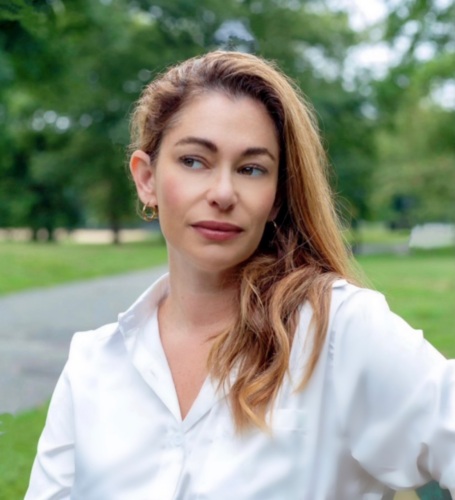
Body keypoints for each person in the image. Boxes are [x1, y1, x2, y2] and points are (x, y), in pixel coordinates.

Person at [25, 51, 454, 499]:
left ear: (275, 198)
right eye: (194, 161)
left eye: (252, 169)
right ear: (147, 179)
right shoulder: (93, 365)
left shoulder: (337, 331)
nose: (223, 193)